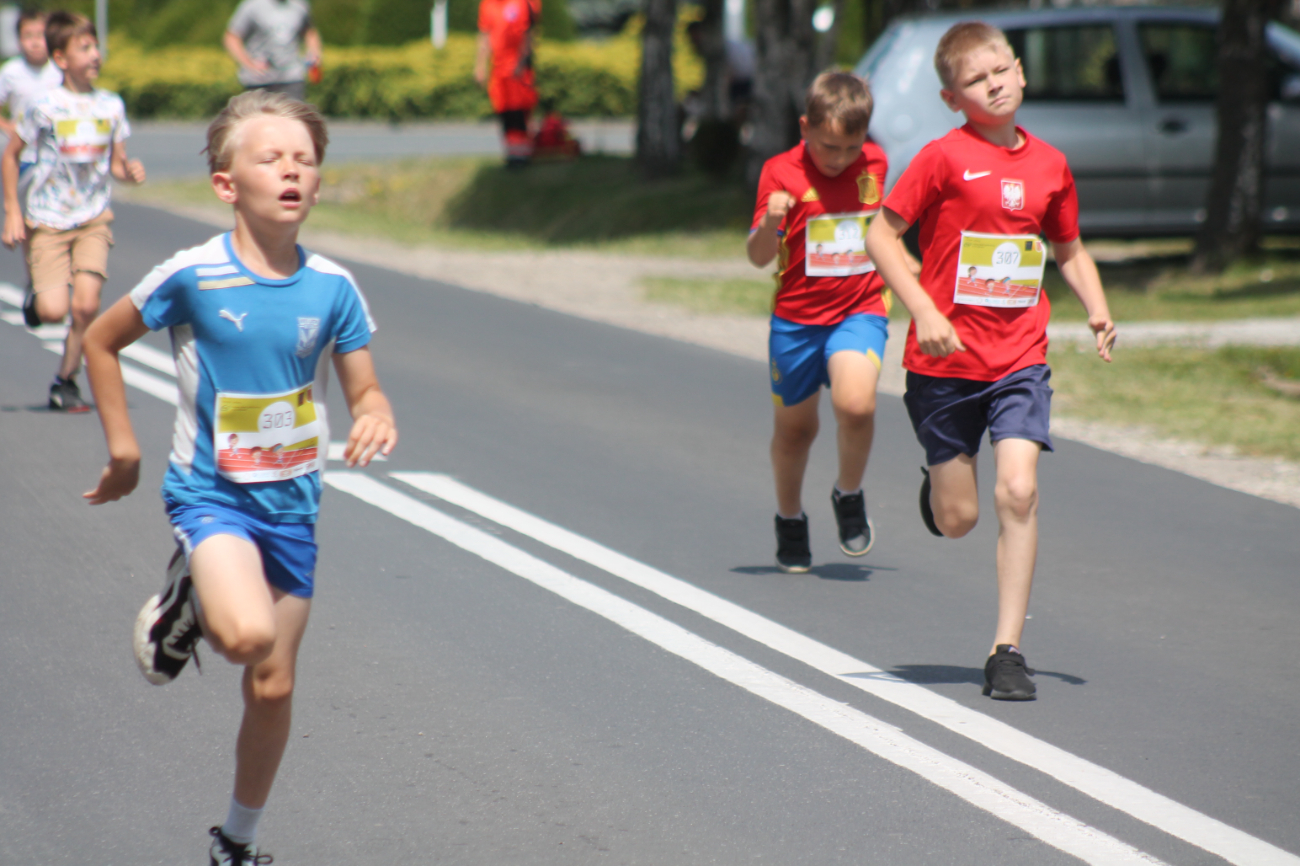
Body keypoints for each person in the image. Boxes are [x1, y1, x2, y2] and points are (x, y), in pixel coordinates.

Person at [80, 90, 397, 865]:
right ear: (228, 185)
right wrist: (124, 449)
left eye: (305, 160)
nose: (291, 170)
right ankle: (186, 593)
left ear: (318, 185)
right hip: (211, 496)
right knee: (246, 634)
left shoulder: (333, 288)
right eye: (271, 157)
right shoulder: (193, 275)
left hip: (293, 507)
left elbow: (363, 387)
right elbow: (101, 338)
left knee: (274, 686)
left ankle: (236, 842)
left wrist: (374, 413)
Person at [864, 21, 1116, 701]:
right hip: (944, 361)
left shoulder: (1050, 165)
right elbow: (880, 235)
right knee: (958, 520)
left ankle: (1008, 650)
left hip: (1018, 358)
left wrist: (1095, 306)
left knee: (1019, 491)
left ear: (1021, 73)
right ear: (953, 99)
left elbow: (1069, 248)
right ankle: (940, 485)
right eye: (976, 80)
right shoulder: (943, 158)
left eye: (1001, 70)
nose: (994, 84)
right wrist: (922, 308)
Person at [748, 71, 915, 574]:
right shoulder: (779, 173)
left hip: (858, 308)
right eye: (827, 147)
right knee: (795, 432)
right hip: (796, 322)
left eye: (850, 147)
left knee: (856, 404)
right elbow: (758, 256)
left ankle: (848, 493)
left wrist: (910, 268)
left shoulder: (877, 164)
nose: (839, 158)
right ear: (804, 127)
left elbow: (883, 229)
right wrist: (772, 223)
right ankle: (790, 517)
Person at [1, 10, 144, 412]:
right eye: (84, 48)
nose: (95, 54)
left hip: (94, 217)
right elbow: (10, 157)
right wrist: (13, 211)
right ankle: (36, 294)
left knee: (85, 306)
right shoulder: (44, 107)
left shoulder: (111, 105)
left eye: (95, 45)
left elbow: (116, 164)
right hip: (47, 218)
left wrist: (128, 173)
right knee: (52, 310)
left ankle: (66, 380)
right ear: (61, 59)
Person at [475, 0, 539, 167]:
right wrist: (480, 66)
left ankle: (522, 153)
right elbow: (484, 35)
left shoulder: (521, 3)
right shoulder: (487, 4)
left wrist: (521, 62)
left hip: (517, 69)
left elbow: (528, 33)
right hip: (498, 68)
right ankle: (511, 152)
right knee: (503, 110)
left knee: (519, 111)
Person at [224, 0, 321, 102]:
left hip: (292, 77)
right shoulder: (251, 6)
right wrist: (249, 64)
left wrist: (313, 54)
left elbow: (309, 32)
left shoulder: (300, 5)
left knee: (292, 115)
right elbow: (232, 37)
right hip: (259, 80)